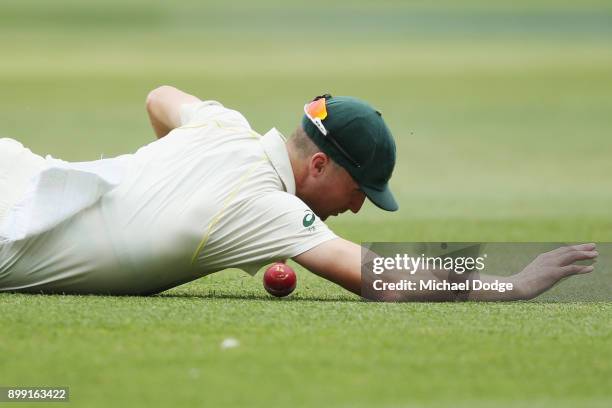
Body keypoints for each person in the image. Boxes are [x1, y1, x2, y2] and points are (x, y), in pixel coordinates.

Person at [0, 86, 598, 300]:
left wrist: (162, 180)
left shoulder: (222, 125)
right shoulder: (267, 208)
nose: (360, 205)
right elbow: (378, 277)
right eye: (358, 187)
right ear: (317, 163)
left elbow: (160, 96)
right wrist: (511, 282)